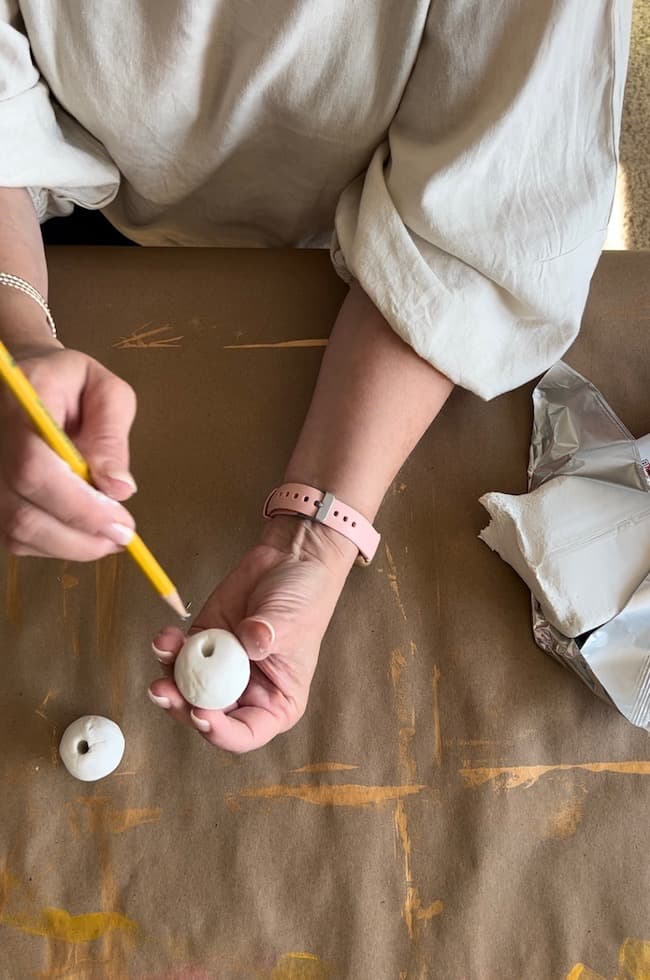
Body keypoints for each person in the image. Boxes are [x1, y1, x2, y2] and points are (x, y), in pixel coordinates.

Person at [0, 1, 632, 751]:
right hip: (52, 212)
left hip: (365, 242)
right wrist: (15, 335)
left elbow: (491, 201)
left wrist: (314, 538)